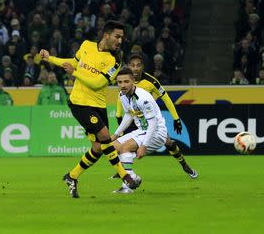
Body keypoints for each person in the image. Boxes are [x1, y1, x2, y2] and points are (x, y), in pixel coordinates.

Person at [40, 20, 140, 198]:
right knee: (104, 137)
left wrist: (74, 73)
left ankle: (72, 176)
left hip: (98, 105)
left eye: (122, 38)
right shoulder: (86, 45)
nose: (120, 41)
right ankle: (125, 175)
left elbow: (97, 83)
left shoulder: (115, 61)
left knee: (98, 147)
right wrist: (50, 58)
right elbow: (73, 62)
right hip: (79, 103)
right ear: (106, 35)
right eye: (117, 37)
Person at [111, 68, 196, 194]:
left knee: (125, 148)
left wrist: (144, 146)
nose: (123, 85)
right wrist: (116, 134)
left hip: (157, 132)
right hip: (141, 130)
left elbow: (152, 123)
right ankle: (134, 178)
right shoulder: (122, 95)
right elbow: (129, 115)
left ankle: (127, 186)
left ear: (133, 81)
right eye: (120, 82)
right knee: (112, 147)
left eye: (126, 81)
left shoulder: (143, 98)